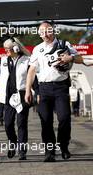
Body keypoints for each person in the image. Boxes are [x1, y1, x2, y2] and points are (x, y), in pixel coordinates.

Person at [25, 21, 84, 162]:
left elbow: (80, 58)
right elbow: (31, 70)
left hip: (61, 88)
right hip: (44, 89)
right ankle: (49, 151)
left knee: (64, 118)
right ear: (39, 34)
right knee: (46, 121)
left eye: (47, 30)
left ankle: (64, 146)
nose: (45, 34)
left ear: (53, 31)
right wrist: (28, 90)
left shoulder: (64, 45)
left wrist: (71, 57)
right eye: (41, 32)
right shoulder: (37, 49)